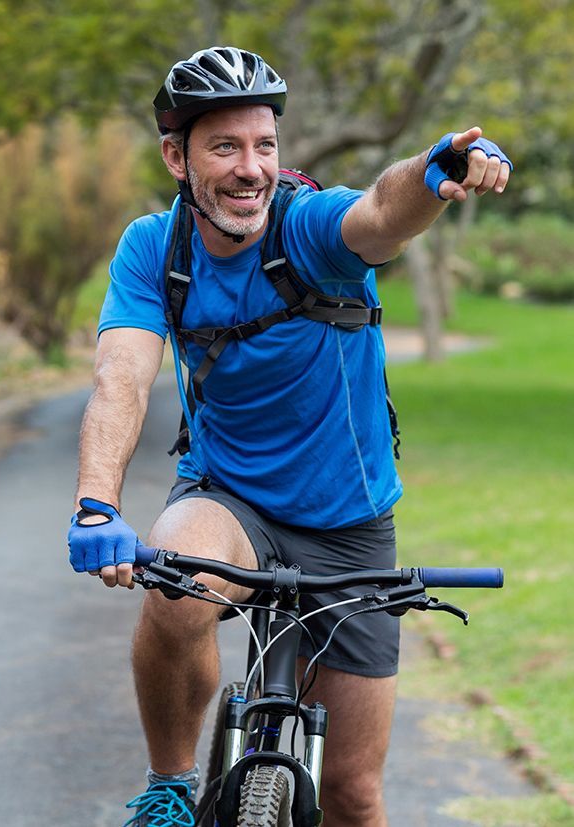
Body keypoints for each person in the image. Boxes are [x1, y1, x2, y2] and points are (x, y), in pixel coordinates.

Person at [67, 47, 511, 827]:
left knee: (350, 794)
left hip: (348, 524)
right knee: (173, 576)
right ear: (176, 156)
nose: (250, 169)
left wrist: (433, 173)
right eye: (224, 147)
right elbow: (121, 378)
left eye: (263, 145)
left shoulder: (308, 229)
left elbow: (379, 211)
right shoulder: (152, 248)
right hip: (229, 500)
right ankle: (169, 787)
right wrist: (97, 503)